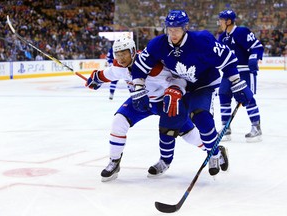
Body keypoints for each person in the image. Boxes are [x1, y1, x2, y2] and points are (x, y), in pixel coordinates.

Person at [130, 10, 254, 176]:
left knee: (201, 117)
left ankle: (214, 154)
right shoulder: (158, 44)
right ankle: (165, 161)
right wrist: (138, 87)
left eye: (177, 29)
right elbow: (140, 66)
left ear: (185, 28)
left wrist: (236, 83)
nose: (173, 33)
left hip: (204, 84)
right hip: (177, 87)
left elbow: (228, 59)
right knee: (168, 123)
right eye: (169, 29)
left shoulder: (202, 40)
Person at [85, 36, 205, 182]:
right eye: (117, 54)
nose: (120, 58)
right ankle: (114, 162)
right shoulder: (119, 65)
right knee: (118, 121)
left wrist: (175, 90)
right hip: (139, 101)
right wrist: (96, 78)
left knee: (187, 133)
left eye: (124, 53)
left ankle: (213, 150)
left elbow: (177, 79)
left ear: (133, 51)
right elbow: (109, 74)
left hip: (163, 102)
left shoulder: (152, 66)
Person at [217, 9, 264, 142]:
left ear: (229, 21)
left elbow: (257, 46)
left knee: (247, 97)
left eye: (221, 20)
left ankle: (256, 126)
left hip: (244, 71)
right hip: (229, 71)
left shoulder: (242, 32)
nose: (219, 22)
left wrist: (253, 58)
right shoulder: (222, 37)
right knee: (223, 95)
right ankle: (226, 127)